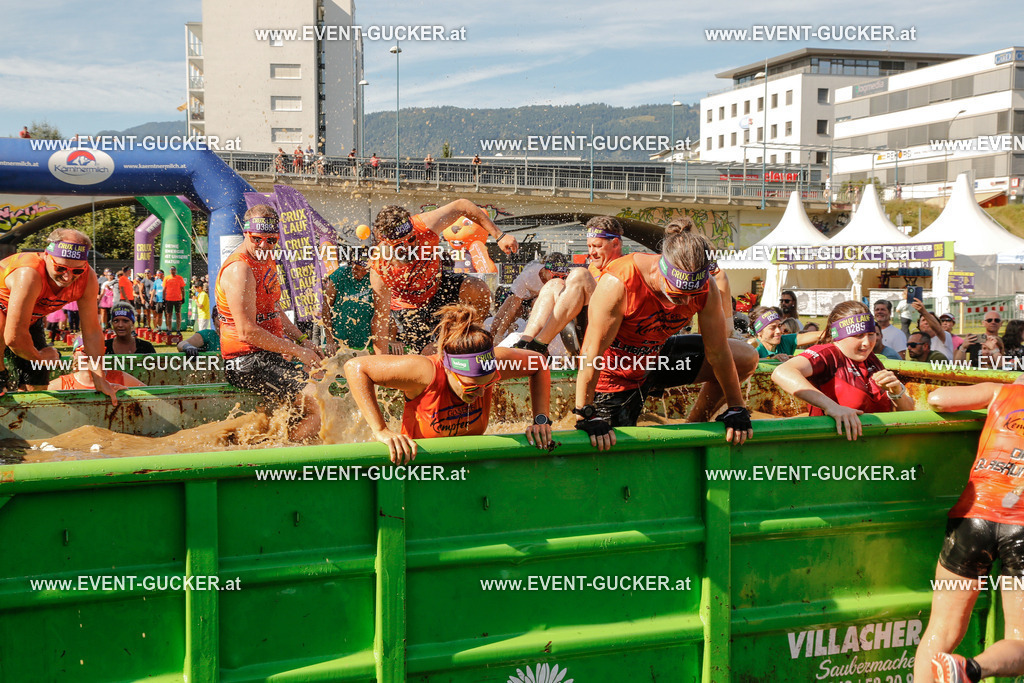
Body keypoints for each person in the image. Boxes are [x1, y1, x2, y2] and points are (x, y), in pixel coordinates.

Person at [574, 220, 759, 449]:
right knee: (612, 447)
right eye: (678, 295)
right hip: (617, 372)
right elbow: (591, 353)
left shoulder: (707, 287)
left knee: (745, 357)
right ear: (661, 271)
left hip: (658, 357)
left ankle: (694, 427)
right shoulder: (619, 282)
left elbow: (719, 352)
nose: (687, 302)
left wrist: (736, 407)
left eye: (693, 294)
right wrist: (585, 413)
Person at [914, 375, 1024, 683]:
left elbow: (938, 399)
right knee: (1021, 639)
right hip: (1022, 533)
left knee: (940, 630)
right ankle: (970, 669)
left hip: (972, 523)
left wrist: (1010, 385)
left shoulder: (1002, 391)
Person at [343, 304, 552, 463]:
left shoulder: (495, 362)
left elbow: (539, 363)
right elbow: (355, 368)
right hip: (419, 467)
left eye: (488, 384)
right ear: (450, 370)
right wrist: (381, 430)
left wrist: (541, 419)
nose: (481, 394)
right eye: (471, 387)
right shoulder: (424, 372)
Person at [215, 204, 324, 441]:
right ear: (246, 233)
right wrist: (297, 351)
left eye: (271, 240)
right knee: (318, 406)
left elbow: (275, 309)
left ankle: (283, 443)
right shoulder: (240, 269)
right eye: (257, 239)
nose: (264, 246)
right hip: (246, 361)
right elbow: (247, 332)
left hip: (267, 356)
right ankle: (281, 460)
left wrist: (303, 341)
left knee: (321, 383)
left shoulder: (266, 258)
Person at [369, 201, 517, 354]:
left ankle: (472, 340)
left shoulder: (425, 224)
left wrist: (499, 235)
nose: (408, 248)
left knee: (478, 288)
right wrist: (382, 363)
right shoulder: (380, 265)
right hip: (409, 306)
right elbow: (381, 318)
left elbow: (462, 206)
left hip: (439, 286)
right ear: (386, 243)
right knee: (431, 353)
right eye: (399, 247)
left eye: (412, 240)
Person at [0, 229, 117, 401]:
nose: (67, 276)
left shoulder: (87, 277)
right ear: (46, 255)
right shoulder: (29, 273)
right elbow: (14, 337)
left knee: (37, 383)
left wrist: (99, 377)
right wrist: (40, 357)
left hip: (30, 317)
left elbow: (92, 331)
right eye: (60, 268)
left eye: (76, 271)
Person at [772, 301, 915, 440]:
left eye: (871, 334)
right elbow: (782, 372)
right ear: (838, 336)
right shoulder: (828, 354)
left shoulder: (871, 359)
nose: (867, 342)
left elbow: (909, 414)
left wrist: (897, 392)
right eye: (858, 336)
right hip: (831, 450)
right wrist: (831, 407)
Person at [508, 216, 626, 356]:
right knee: (553, 284)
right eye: (589, 246)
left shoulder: (627, 267)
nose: (592, 253)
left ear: (615, 244)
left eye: (597, 246)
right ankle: (525, 343)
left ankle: (539, 344)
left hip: (611, 334)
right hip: (583, 329)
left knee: (580, 275)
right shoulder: (594, 267)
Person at [47, 335, 144, 391]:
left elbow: (152, 396)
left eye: (97, 350)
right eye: (85, 350)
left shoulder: (120, 378)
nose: (91, 355)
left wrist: (128, 394)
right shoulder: (62, 385)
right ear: (75, 355)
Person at [324, 260, 373, 353]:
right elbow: (326, 306)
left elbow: (384, 311)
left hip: (366, 340)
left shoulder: (374, 276)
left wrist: (390, 339)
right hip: (339, 338)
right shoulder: (340, 274)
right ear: (352, 264)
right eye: (356, 269)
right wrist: (330, 340)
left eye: (364, 271)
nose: (359, 274)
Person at [747, 305, 819, 360]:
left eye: (779, 326)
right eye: (773, 327)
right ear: (759, 332)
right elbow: (744, 363)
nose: (779, 331)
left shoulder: (784, 341)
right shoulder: (753, 347)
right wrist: (772, 359)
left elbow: (818, 336)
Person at [163, 266, 186, 333]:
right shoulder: (167, 278)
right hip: (169, 299)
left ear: (176, 271)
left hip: (178, 299)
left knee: (178, 314)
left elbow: (182, 289)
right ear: (170, 271)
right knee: (169, 315)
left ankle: (178, 329)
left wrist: (183, 297)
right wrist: (163, 298)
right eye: (172, 270)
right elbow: (164, 289)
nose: (173, 271)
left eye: (174, 270)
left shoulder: (179, 278)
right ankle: (169, 329)